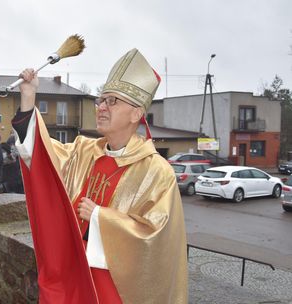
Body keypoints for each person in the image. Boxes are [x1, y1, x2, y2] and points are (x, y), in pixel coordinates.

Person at [12, 48, 188, 303]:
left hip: (114, 288)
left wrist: (100, 217)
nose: (102, 107)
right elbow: (41, 156)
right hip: (71, 276)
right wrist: (28, 98)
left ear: (136, 113)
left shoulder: (157, 172)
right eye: (101, 100)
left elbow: (157, 241)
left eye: (112, 101)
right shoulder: (84, 150)